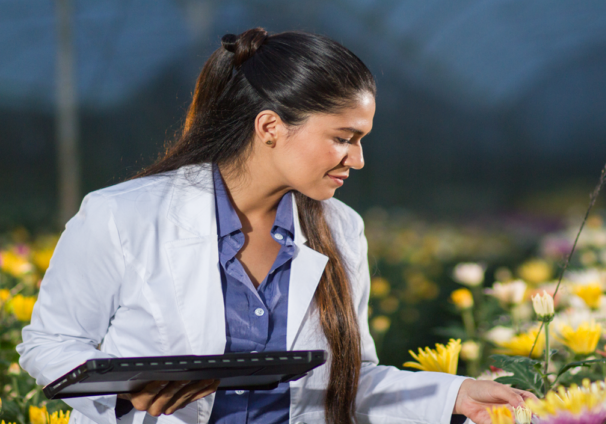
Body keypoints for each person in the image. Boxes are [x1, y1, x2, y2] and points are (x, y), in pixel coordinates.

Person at [17, 28, 534, 424]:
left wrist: (454, 395)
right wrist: (128, 386)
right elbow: (50, 343)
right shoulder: (123, 215)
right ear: (270, 126)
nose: (357, 160)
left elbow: (348, 383)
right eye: (343, 138)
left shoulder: (341, 228)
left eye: (361, 140)